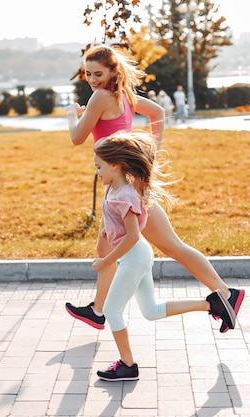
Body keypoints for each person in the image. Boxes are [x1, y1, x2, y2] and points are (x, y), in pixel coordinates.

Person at [65, 44, 244, 334]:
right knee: (104, 245)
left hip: (126, 188)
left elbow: (76, 137)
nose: (92, 79)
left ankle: (226, 294)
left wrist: (72, 113)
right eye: (88, 73)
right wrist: (151, 151)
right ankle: (98, 310)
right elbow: (157, 111)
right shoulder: (122, 96)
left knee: (173, 246)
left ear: (113, 71)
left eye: (98, 73)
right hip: (123, 183)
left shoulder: (99, 97)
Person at [92, 131, 235, 381]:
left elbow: (133, 236)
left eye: (99, 166)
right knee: (151, 310)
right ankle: (212, 305)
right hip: (134, 257)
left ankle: (128, 365)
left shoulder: (125, 195)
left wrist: (106, 261)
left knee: (112, 310)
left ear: (115, 166)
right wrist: (106, 230)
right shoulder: (112, 189)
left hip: (135, 256)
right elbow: (114, 223)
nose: (97, 172)